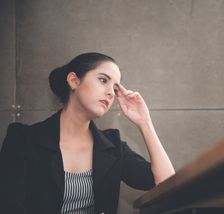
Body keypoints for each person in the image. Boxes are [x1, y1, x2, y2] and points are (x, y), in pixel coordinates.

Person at [0, 52, 175, 214]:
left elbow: (166, 185)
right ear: (74, 81)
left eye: (114, 89)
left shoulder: (113, 146)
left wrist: (144, 122)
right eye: (103, 80)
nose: (109, 93)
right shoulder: (23, 139)